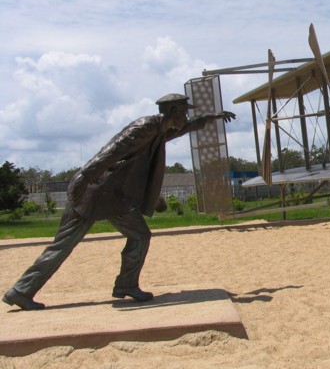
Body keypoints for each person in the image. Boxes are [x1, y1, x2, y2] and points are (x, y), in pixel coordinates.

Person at [2, 94, 236, 311]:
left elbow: (185, 128)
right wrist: (83, 178)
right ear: (173, 111)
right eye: (183, 112)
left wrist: (210, 117)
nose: (185, 117)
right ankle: (125, 284)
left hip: (106, 194)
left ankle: (22, 290)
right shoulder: (144, 128)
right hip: (99, 193)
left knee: (70, 244)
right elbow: (111, 152)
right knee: (135, 237)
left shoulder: (159, 130)